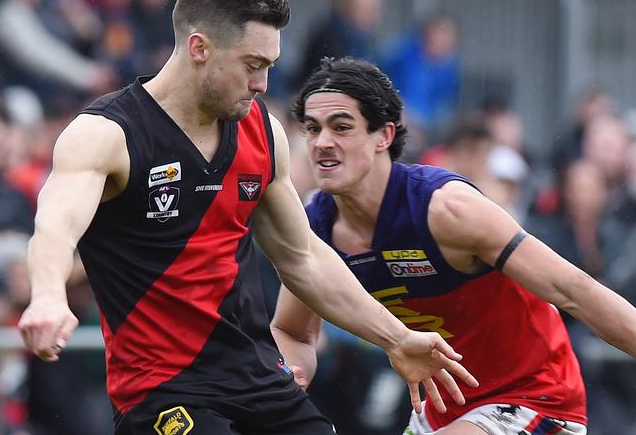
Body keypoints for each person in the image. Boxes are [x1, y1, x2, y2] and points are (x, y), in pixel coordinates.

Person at [16, 0, 478, 435]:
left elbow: (303, 258)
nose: (262, 84)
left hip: (258, 378)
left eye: (270, 67)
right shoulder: (108, 133)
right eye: (252, 66)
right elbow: (55, 225)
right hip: (163, 393)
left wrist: (396, 338)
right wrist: (48, 296)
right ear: (199, 48)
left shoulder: (262, 131)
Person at [270, 56, 636, 435]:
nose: (322, 143)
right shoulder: (315, 227)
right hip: (444, 412)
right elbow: (293, 332)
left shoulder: (446, 210)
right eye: (312, 129)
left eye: (341, 127)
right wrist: (291, 375)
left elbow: (575, 291)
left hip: (531, 395)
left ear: (385, 135)